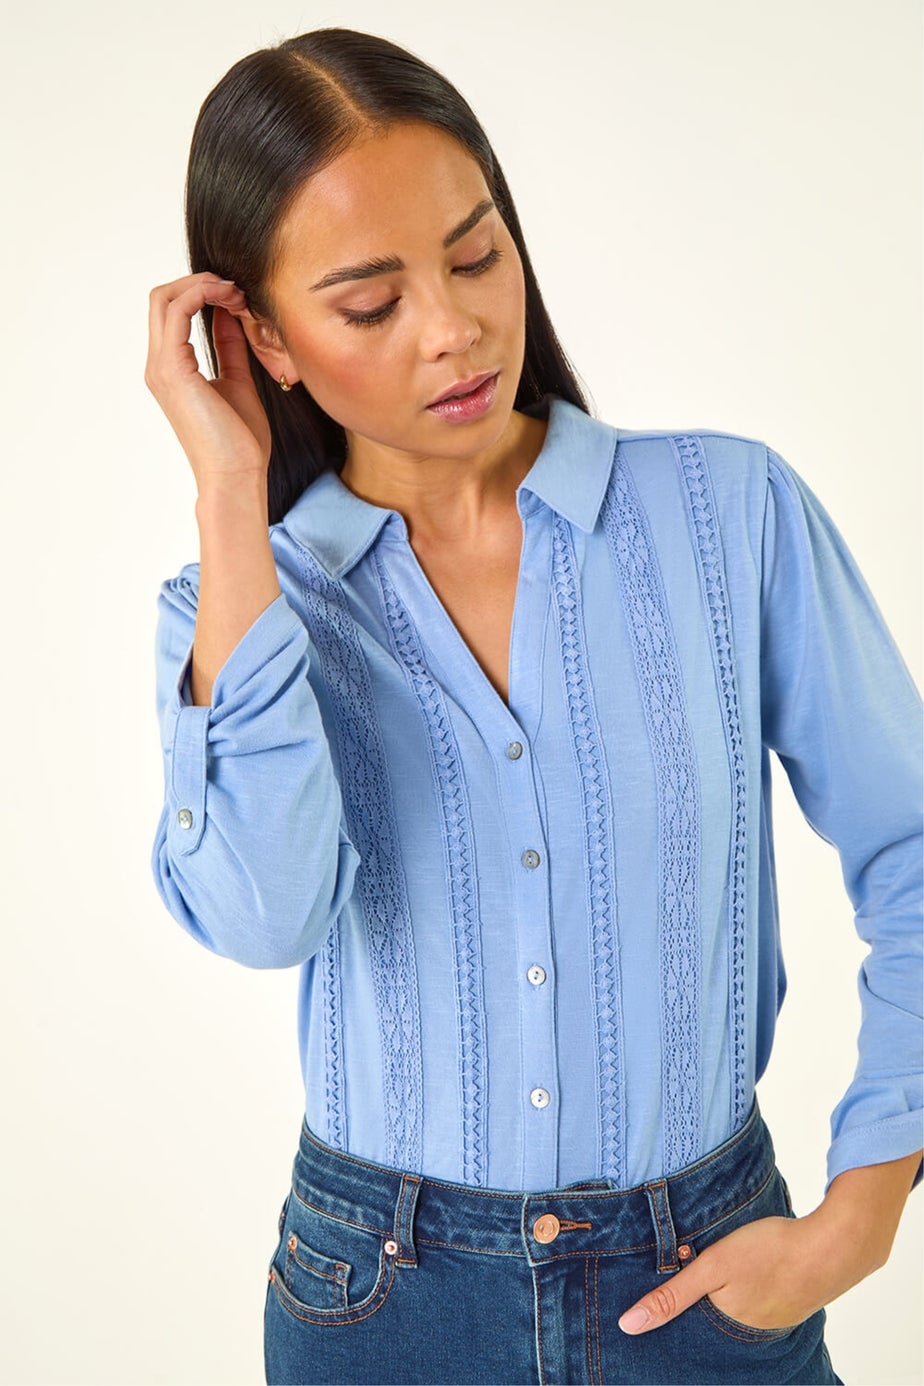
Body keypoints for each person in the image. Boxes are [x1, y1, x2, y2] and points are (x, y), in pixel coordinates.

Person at [146, 27, 922, 1386]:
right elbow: (265, 920)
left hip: (706, 1274)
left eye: (475, 255)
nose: (453, 328)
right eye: (369, 305)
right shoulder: (236, 611)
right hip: (380, 1302)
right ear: (264, 338)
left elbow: (912, 844)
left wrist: (859, 1216)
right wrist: (228, 491)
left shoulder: (729, 515)